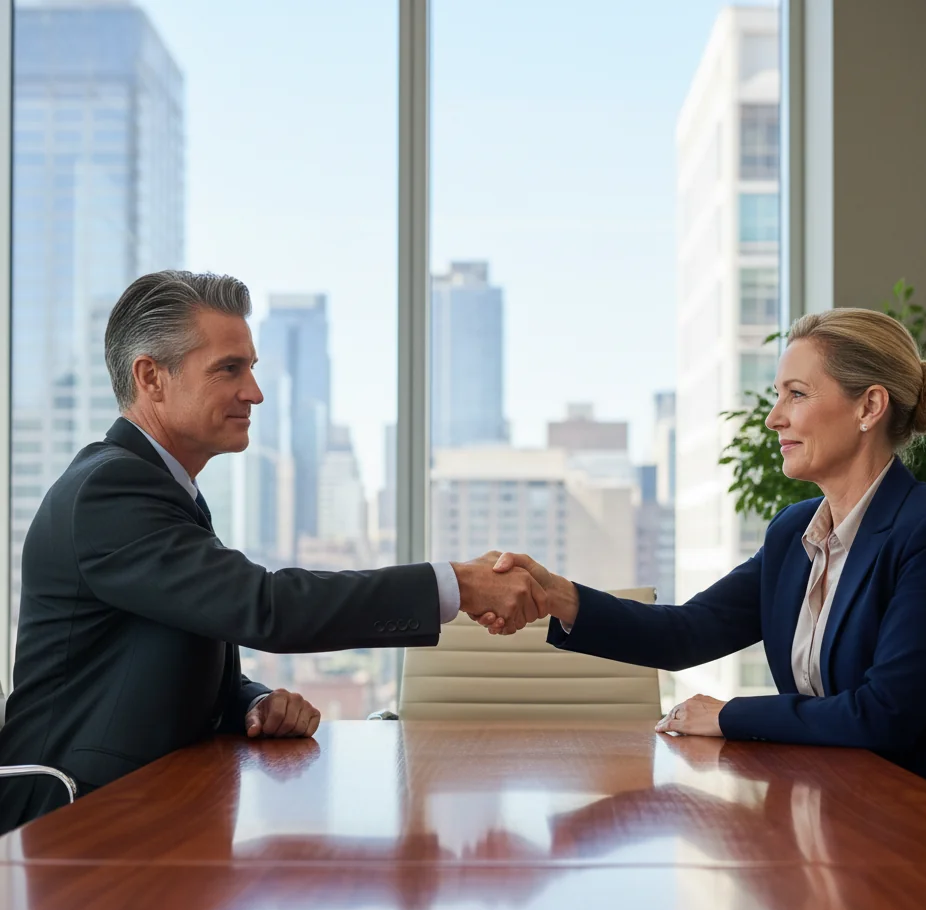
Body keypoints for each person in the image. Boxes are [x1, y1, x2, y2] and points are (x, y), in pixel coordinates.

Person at [0, 270, 546, 830]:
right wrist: (456, 583)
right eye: (229, 369)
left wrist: (250, 704)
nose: (254, 392)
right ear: (151, 378)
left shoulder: (158, 488)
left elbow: (158, 657)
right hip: (70, 825)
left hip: (148, 810)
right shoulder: (111, 492)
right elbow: (265, 607)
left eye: (251, 369)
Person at [479, 308, 926, 818]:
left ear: (869, 407)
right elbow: (686, 633)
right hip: (829, 803)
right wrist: (556, 594)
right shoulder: (792, 534)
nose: (773, 417)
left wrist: (727, 715)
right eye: (777, 395)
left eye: (796, 395)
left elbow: (884, 715)